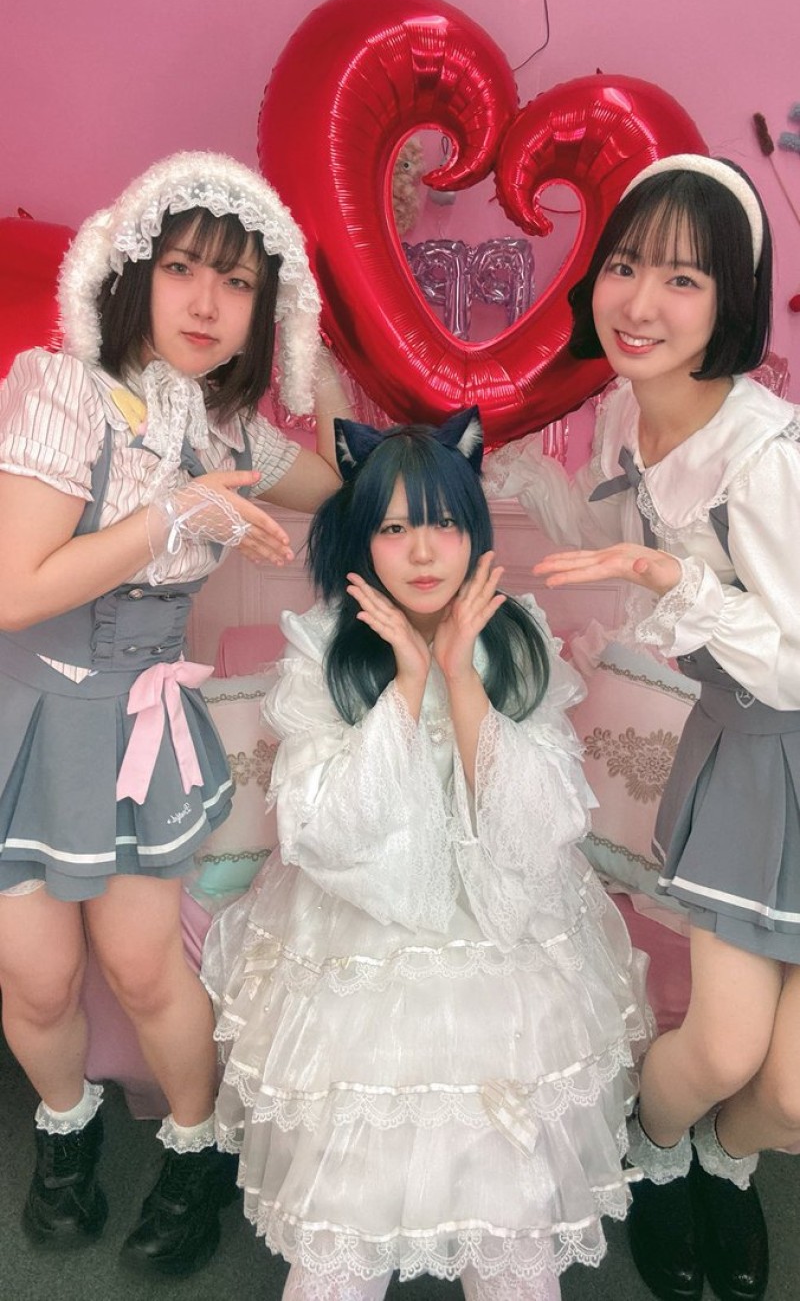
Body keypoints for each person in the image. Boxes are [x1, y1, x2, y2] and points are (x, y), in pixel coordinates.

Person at [201, 407, 651, 1301]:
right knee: (338, 1254)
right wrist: (405, 685)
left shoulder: (517, 637)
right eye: (395, 526)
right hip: (358, 941)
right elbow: (328, 832)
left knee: (514, 1251)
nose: (421, 550)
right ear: (362, 539)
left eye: (444, 522)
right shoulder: (324, 648)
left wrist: (459, 679)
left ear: (474, 531)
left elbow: (536, 832)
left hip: (505, 936)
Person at [0, 150, 352, 1276]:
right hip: (27, 721)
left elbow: (345, 480)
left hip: (137, 732)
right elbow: (12, 591)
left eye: (239, 283)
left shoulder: (233, 433)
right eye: (184, 268)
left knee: (147, 970)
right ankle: (65, 1131)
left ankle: (196, 1146)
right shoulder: (61, 390)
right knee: (35, 979)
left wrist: (322, 361)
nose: (208, 302)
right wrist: (170, 518)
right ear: (134, 272)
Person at [483, 153, 796, 1301]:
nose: (640, 302)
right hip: (748, 748)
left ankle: (728, 1157)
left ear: (729, 302)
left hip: (784, 717)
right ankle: (660, 1147)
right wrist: (529, 479)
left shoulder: (765, 457)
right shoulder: (625, 413)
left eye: (681, 279)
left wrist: (675, 580)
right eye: (623, 265)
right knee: (721, 1046)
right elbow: (616, 548)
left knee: (790, 1091)